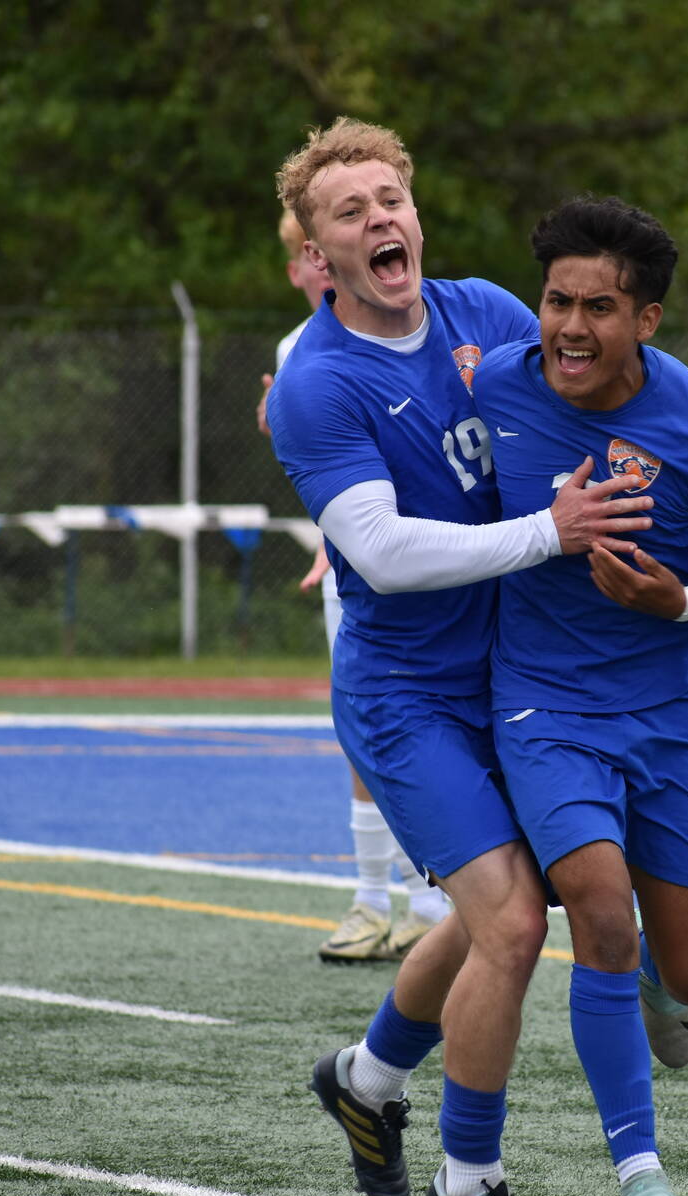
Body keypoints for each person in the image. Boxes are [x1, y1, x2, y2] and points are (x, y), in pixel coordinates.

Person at [265, 119, 656, 1196]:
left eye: (391, 198)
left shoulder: (486, 308)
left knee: (510, 905)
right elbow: (378, 551)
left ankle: (369, 1080)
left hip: (512, 678)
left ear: (415, 215)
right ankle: (468, 1186)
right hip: (404, 697)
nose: (379, 219)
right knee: (512, 928)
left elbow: (605, 376)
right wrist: (550, 532)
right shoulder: (318, 382)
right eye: (350, 211)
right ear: (317, 252)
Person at [470, 196, 688, 1196]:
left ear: (647, 321)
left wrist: (687, 601)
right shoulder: (488, 391)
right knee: (600, 919)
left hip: (665, 717)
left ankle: (669, 993)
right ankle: (639, 1181)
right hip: (540, 708)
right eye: (556, 302)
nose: (569, 327)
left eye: (598, 308)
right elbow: (385, 400)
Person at [261, 207, 451, 963]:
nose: (319, 267)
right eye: (307, 255)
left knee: (435, 725)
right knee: (367, 734)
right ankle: (376, 898)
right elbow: (335, 476)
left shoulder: (436, 324)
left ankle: (431, 900)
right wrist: (329, 541)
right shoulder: (301, 353)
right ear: (303, 265)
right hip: (363, 573)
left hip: (441, 564)